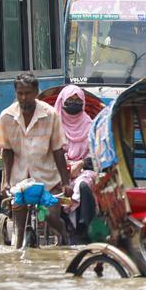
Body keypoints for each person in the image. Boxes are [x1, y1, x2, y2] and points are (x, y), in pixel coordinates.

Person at [0, 73, 73, 246]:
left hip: (47, 179)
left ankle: (63, 233)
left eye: (28, 93)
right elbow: (6, 151)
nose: (24, 98)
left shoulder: (50, 114)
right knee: (19, 226)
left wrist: (66, 182)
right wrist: (5, 181)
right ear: (16, 93)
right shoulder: (6, 117)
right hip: (19, 181)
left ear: (36, 92)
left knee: (51, 217)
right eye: (20, 93)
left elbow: (58, 150)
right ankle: (19, 254)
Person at [54, 85, 96, 240]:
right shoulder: (54, 125)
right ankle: (61, 224)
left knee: (83, 184)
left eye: (77, 100)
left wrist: (82, 164)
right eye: (70, 100)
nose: (74, 103)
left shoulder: (90, 125)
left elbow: (97, 156)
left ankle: (82, 228)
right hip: (58, 169)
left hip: (83, 170)